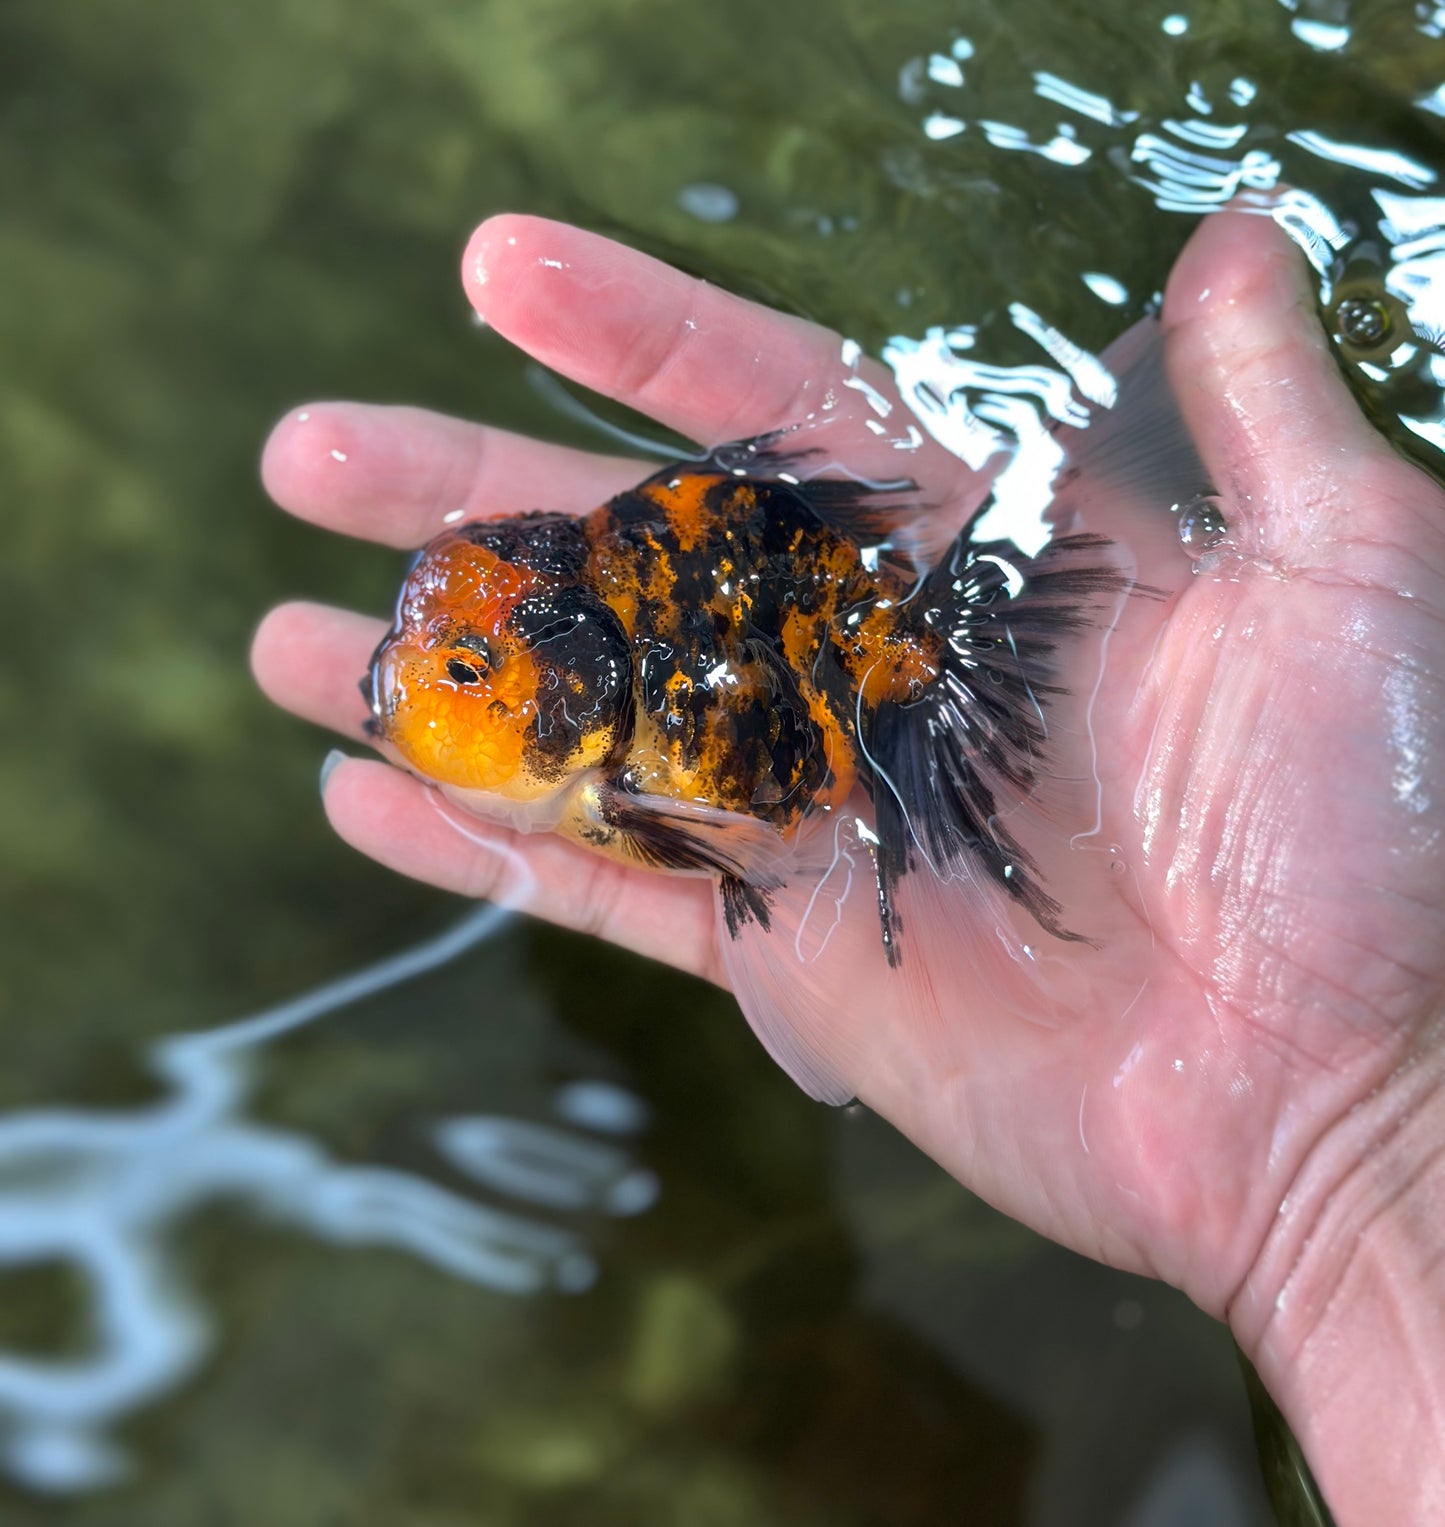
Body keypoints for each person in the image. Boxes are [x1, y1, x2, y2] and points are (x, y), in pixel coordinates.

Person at [253, 207, 1445, 1525]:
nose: (408, 688)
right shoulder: (597, 686)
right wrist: (1356, 1162)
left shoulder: (640, 756)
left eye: (461, 674)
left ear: (570, 698)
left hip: (833, 683)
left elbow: (734, 843)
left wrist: (1368, 1140)